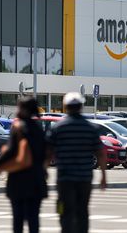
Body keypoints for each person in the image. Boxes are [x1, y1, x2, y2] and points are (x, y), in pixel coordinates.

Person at [47, 92, 107, 233]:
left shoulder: (58, 127)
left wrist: (43, 171)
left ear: (65, 107)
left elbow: (48, 152)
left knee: (64, 209)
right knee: (82, 211)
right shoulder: (91, 128)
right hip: (84, 178)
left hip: (65, 178)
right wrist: (104, 175)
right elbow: (101, 153)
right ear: (81, 107)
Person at [0, 96, 48, 233]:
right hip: (37, 181)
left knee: (18, 221)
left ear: (23, 109)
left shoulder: (18, 127)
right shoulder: (39, 129)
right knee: (33, 220)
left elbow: (12, 151)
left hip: (19, 181)